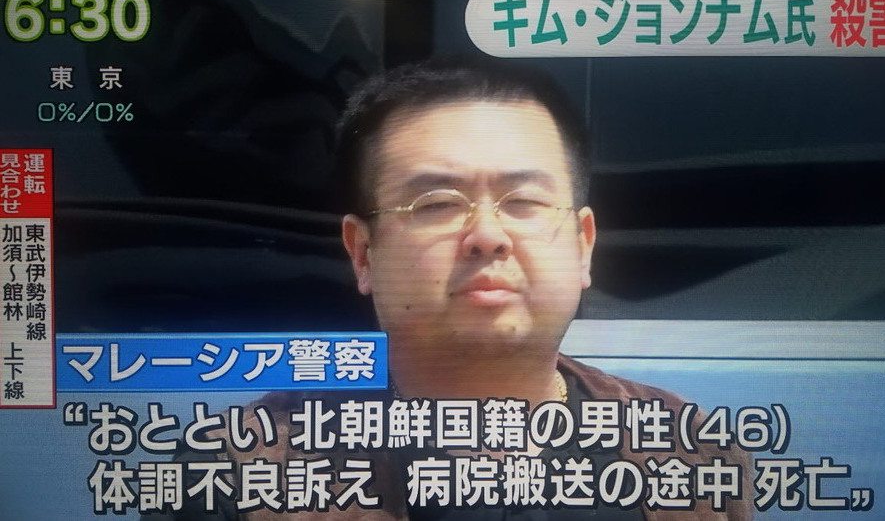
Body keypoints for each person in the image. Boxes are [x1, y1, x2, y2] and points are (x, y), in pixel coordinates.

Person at [155, 58, 752, 520]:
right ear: (363, 253)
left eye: (524, 201)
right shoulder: (237, 468)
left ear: (583, 244)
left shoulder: (691, 450)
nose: (488, 236)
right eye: (436, 204)